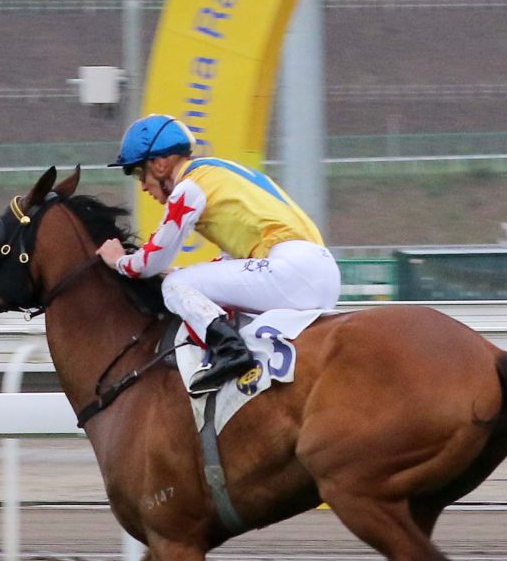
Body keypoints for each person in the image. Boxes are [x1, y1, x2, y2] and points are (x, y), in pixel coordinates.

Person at [97, 114, 340, 396]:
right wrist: (182, 274)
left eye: (140, 173)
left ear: (160, 164)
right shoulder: (220, 174)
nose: (142, 186)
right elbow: (230, 264)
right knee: (186, 283)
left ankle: (229, 351)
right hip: (322, 273)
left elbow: (149, 262)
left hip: (292, 270)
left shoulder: (189, 187)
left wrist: (118, 260)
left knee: (174, 286)